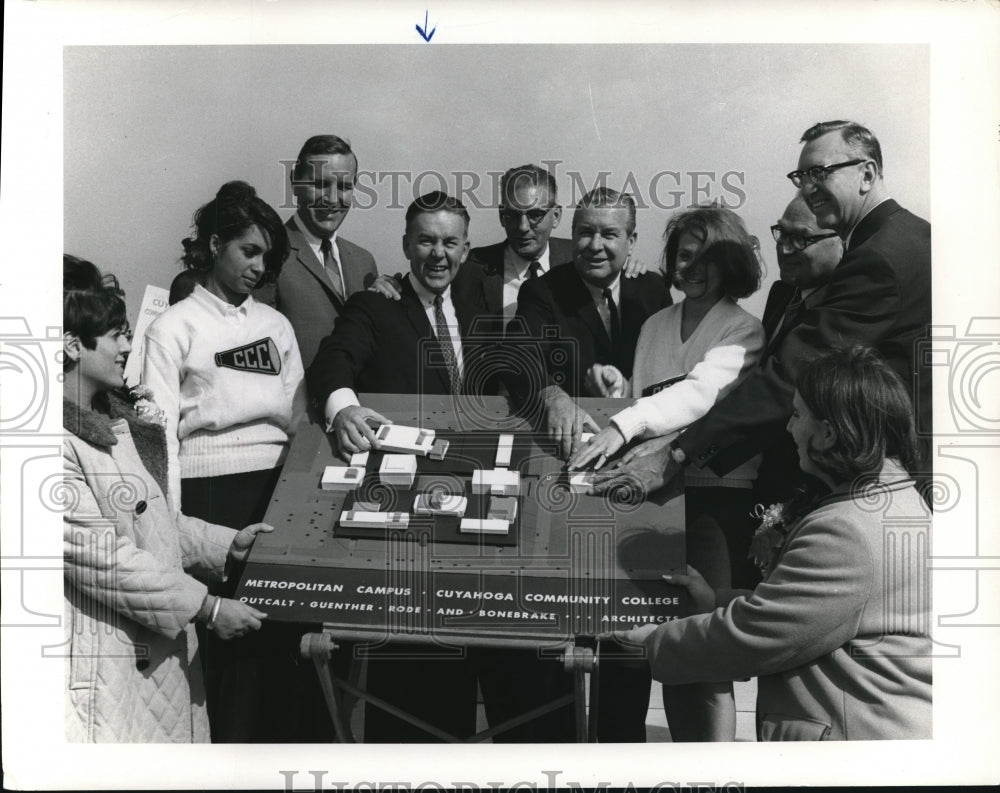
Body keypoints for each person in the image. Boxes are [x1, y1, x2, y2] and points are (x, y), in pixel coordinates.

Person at [601, 121, 932, 508]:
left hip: (883, 480)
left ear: (868, 174)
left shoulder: (876, 260)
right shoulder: (911, 236)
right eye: (802, 176)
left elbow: (793, 375)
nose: (808, 188)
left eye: (820, 173)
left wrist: (676, 452)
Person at [626, 345, 932, 741]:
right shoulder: (895, 503)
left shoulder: (848, 530)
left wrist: (653, 641)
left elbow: (758, 637)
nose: (789, 428)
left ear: (828, 433)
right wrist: (716, 601)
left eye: (798, 415)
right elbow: (812, 611)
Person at [566, 206, 763, 741]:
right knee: (632, 639)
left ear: (732, 264)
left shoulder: (744, 329)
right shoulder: (655, 324)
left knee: (697, 652)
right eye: (684, 253)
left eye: (709, 256)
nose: (693, 265)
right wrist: (617, 393)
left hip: (713, 501)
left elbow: (698, 394)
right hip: (652, 496)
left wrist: (626, 422)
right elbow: (647, 396)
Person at [62, 255, 269, 742]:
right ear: (72, 344)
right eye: (116, 334)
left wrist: (228, 545)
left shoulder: (114, 426)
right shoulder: (50, 445)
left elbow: (154, 520)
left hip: (157, 653)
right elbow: (106, 560)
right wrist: (207, 608)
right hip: (108, 663)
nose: (128, 346)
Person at [307, 191, 491, 741]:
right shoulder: (374, 306)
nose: (438, 254)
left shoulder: (482, 308)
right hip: (402, 514)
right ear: (407, 244)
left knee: (461, 665)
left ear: (466, 249)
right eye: (427, 241)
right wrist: (344, 406)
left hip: (473, 506)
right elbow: (333, 362)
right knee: (402, 672)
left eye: (450, 243)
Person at [142, 181, 310, 742]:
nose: (259, 267)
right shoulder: (173, 327)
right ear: (215, 244)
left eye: (268, 257)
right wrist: (171, 528)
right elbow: (159, 433)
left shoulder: (276, 326)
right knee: (230, 658)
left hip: (275, 490)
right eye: (249, 251)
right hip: (210, 494)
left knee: (282, 647)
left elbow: (297, 419)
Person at [512, 187, 671, 460]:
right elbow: (518, 355)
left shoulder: (652, 290)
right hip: (570, 449)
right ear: (572, 236)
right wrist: (552, 396)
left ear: (631, 242)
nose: (595, 245)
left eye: (609, 234)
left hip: (644, 451)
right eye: (585, 232)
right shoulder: (542, 292)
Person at [257, 134, 379, 368]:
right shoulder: (267, 254)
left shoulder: (365, 262)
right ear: (295, 182)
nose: (332, 199)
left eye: (344, 186)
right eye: (320, 184)